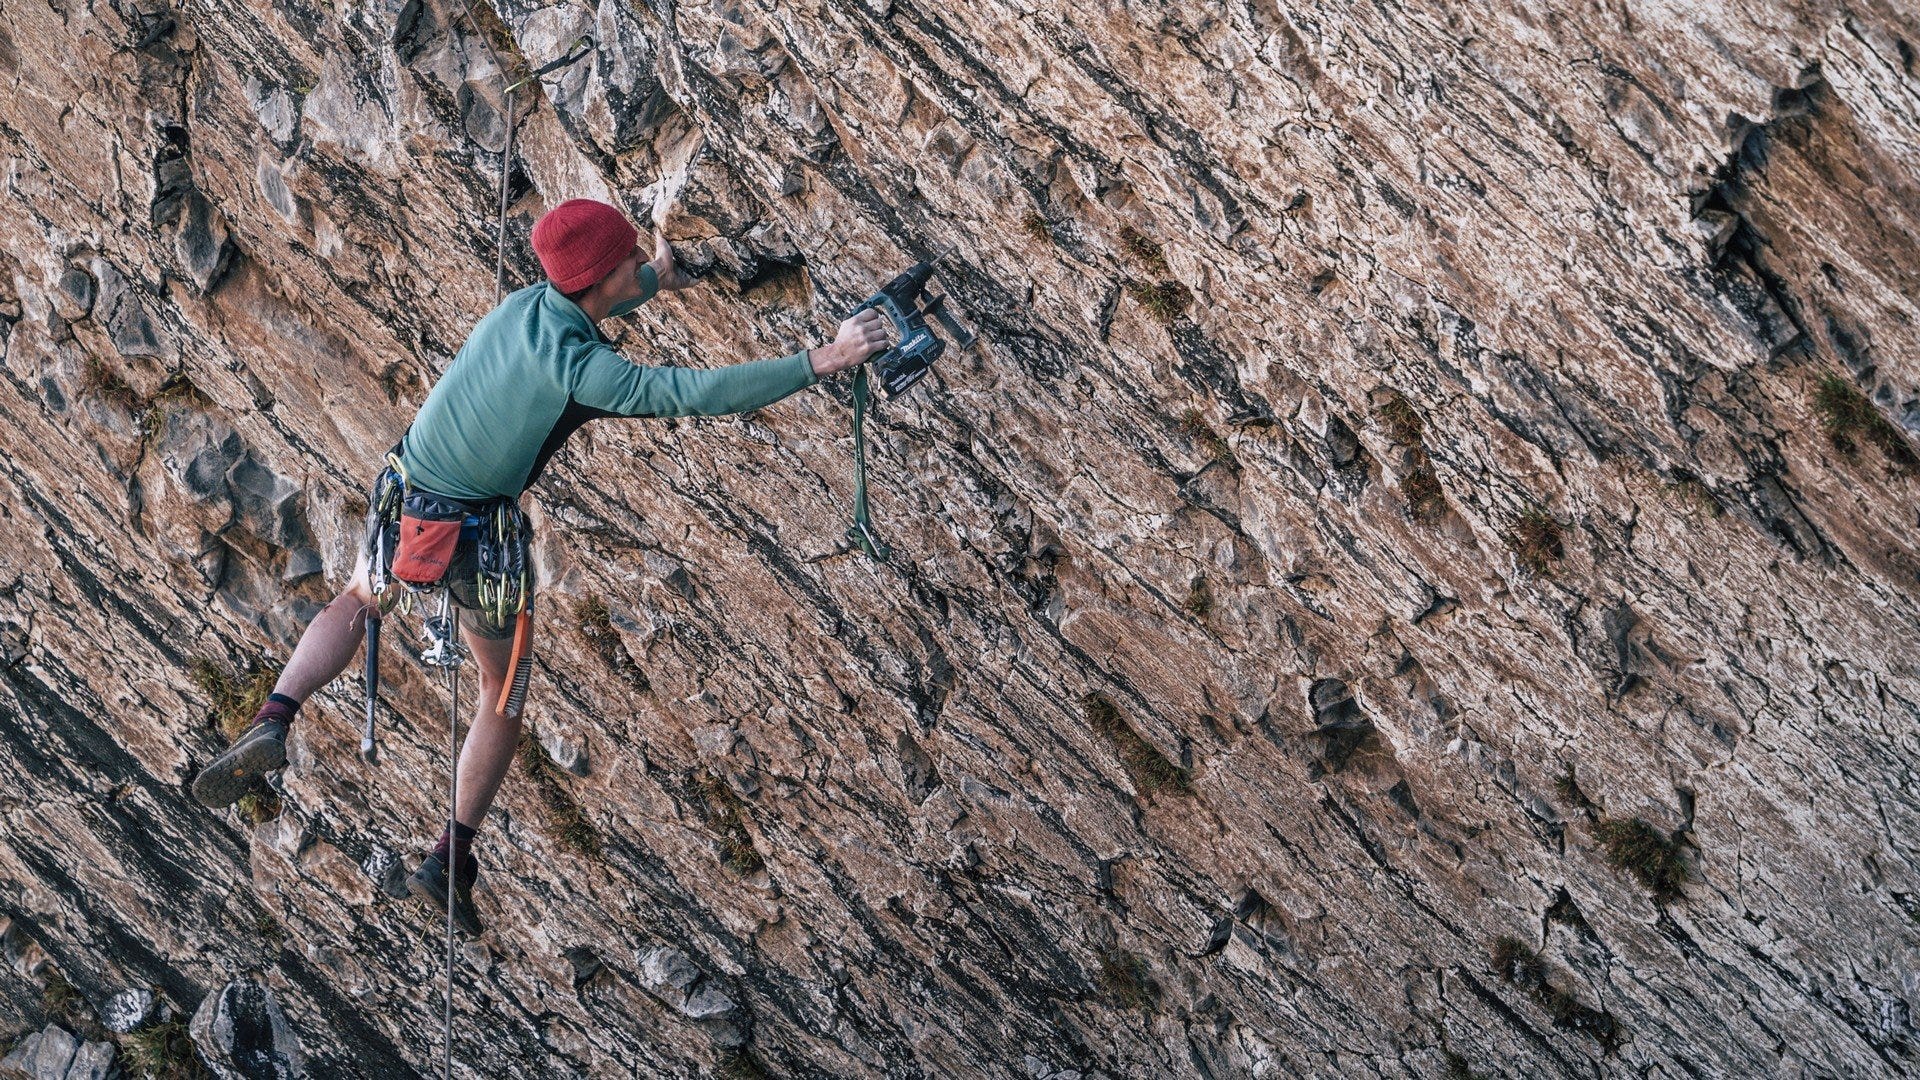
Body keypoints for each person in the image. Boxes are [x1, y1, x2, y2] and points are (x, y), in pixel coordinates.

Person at [191, 198, 888, 933]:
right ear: (599, 277)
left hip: (407, 494)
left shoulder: (528, 303)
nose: (631, 267)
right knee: (501, 690)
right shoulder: (587, 371)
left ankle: (275, 716)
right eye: (627, 261)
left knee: (361, 599)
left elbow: (600, 289)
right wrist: (826, 358)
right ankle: (449, 857)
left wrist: (656, 277)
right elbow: (693, 393)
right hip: (478, 537)